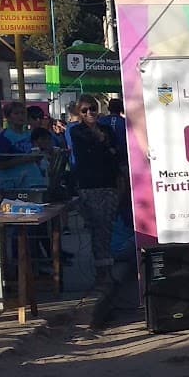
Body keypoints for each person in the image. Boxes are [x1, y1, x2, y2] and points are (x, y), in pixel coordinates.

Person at [69, 97, 125, 284]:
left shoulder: (107, 129)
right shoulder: (76, 131)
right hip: (89, 185)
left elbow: (116, 153)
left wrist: (105, 146)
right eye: (84, 111)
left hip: (109, 183)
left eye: (92, 109)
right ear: (79, 113)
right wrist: (103, 144)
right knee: (97, 228)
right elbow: (86, 153)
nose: (89, 113)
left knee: (107, 228)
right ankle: (103, 272)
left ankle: (106, 269)